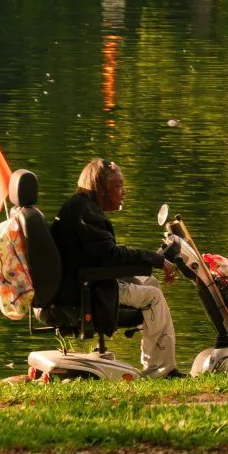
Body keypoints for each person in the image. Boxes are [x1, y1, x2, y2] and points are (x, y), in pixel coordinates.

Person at [50, 158, 184, 378]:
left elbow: (103, 252)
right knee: (153, 297)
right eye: (119, 186)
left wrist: (148, 263)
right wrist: (153, 259)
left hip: (83, 283)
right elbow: (110, 255)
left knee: (150, 283)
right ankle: (161, 371)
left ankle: (156, 362)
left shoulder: (81, 208)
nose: (124, 192)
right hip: (86, 290)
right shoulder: (87, 214)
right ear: (101, 188)